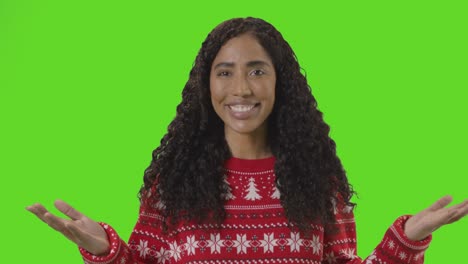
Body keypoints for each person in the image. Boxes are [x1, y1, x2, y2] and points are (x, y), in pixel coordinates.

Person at [26, 17, 468, 264]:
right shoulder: (173, 184)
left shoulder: (317, 181)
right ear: (206, 85)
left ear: (281, 84)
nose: (241, 88)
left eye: (257, 70)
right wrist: (104, 249)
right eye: (225, 72)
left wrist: (404, 240)